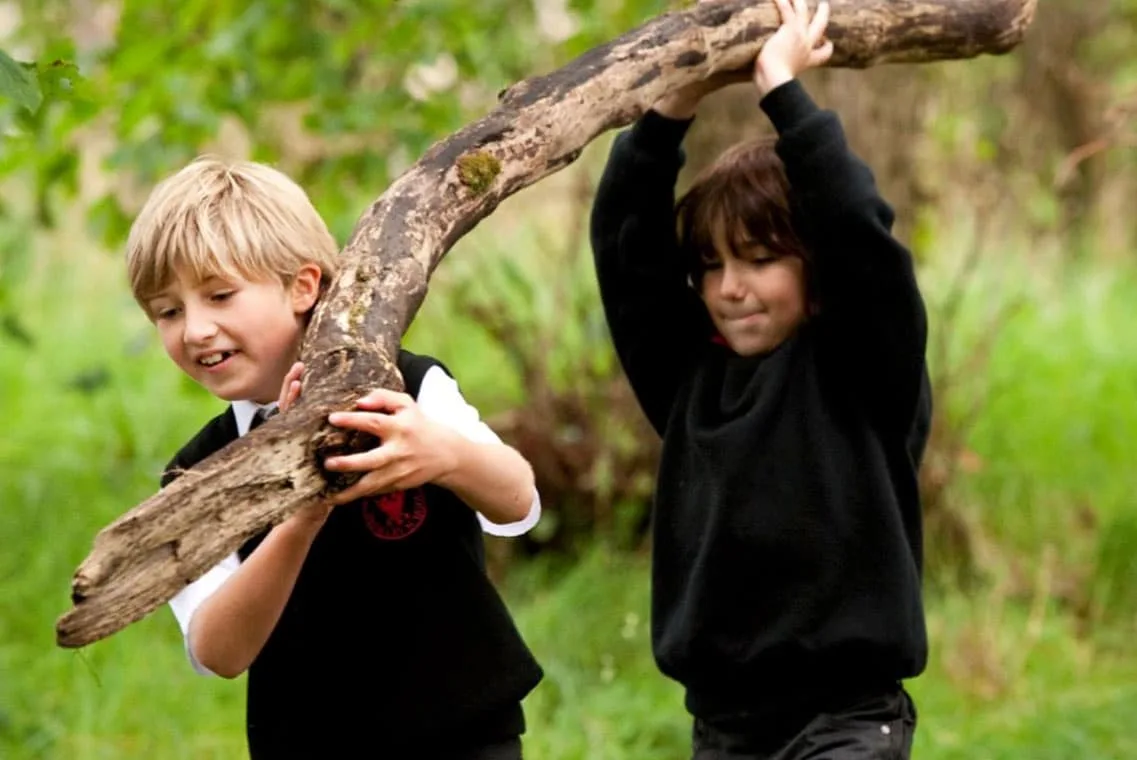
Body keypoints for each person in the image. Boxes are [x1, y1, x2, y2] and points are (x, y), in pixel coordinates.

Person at [589, 0, 932, 756]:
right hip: (725, 729)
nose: (730, 287)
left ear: (815, 264)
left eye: (759, 258)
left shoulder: (866, 368)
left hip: (845, 721)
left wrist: (782, 90)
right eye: (710, 265)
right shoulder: (689, 380)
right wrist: (675, 98)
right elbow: (625, 247)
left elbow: (859, 236)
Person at [125, 156, 543, 759]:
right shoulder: (196, 475)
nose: (195, 329)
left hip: (467, 734)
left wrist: (444, 453)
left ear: (302, 286)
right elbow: (218, 653)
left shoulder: (407, 390)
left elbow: (518, 503)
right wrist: (300, 516)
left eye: (220, 295)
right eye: (168, 311)